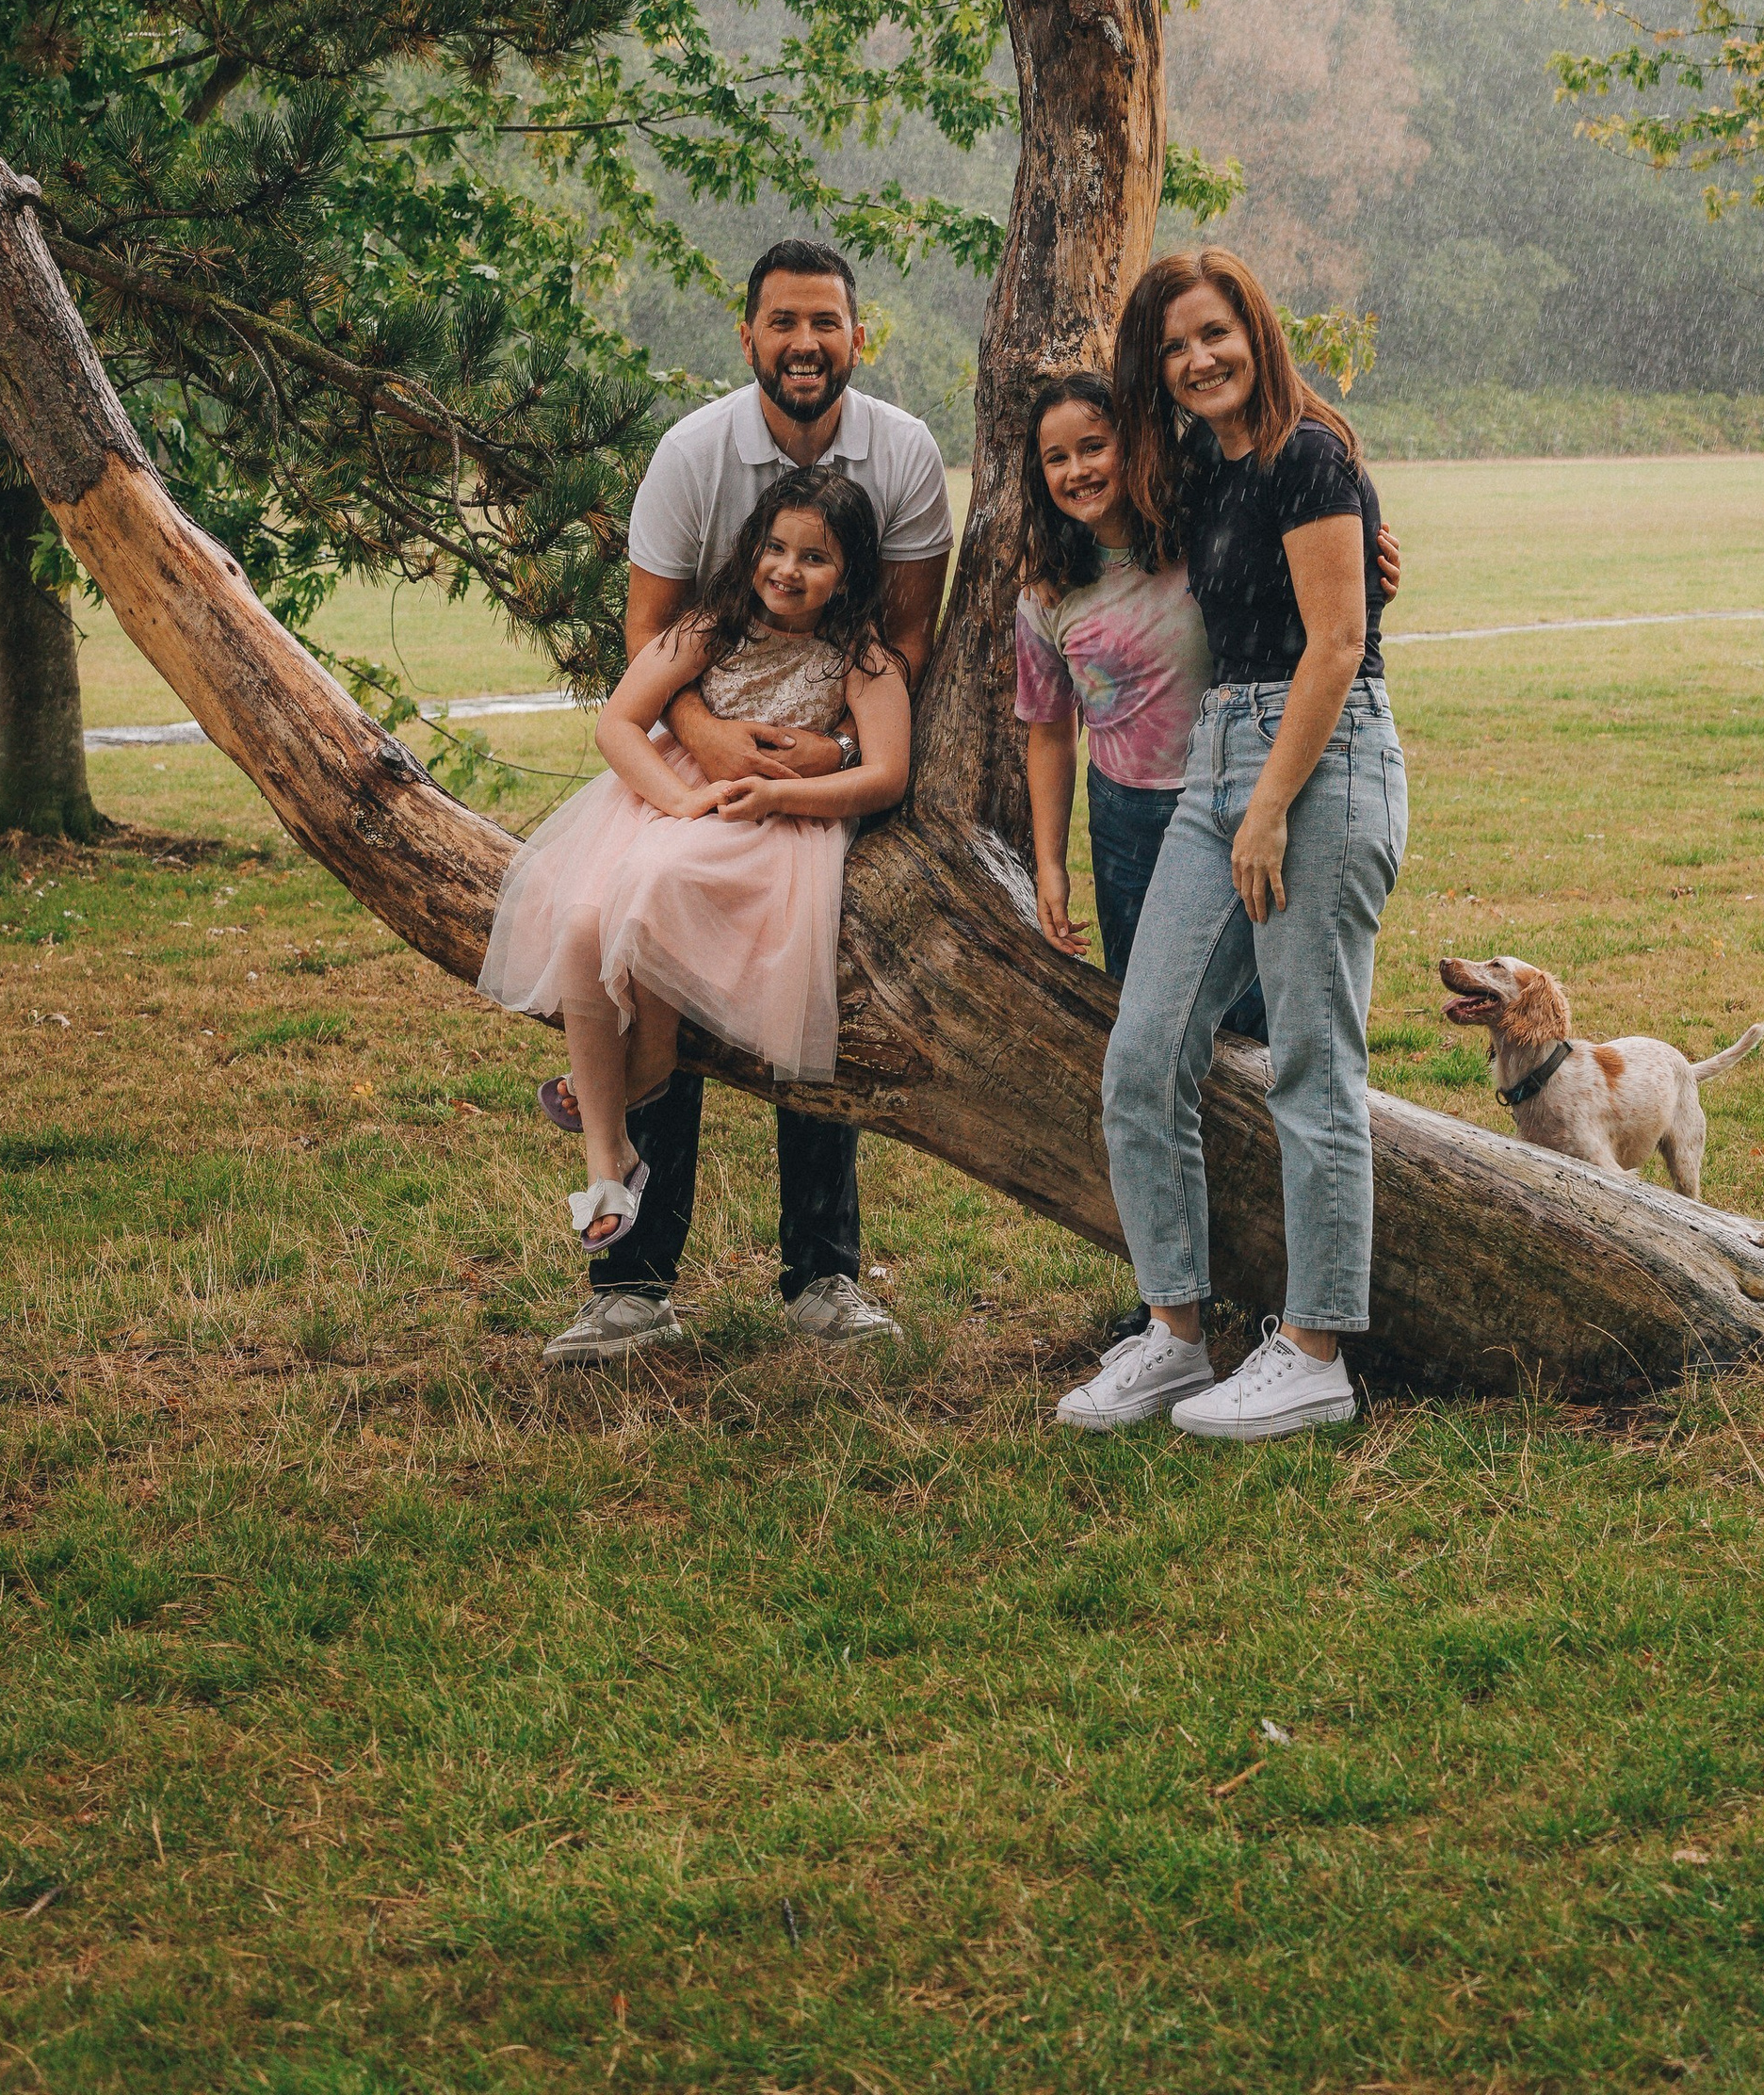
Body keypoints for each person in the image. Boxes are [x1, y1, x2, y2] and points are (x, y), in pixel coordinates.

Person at [535, 236, 954, 1362]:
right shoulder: (692, 453)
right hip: (694, 763)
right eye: (783, 323)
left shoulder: (905, 453)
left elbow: (907, 635)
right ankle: (633, 1281)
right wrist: (716, 756)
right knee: (638, 944)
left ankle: (822, 1271)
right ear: (748, 336)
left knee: (805, 995)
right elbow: (648, 642)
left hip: (826, 776)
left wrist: (813, 763)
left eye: (826, 323)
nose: (805, 344)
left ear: (858, 335)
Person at [1053, 247, 1403, 1445]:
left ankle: (1313, 1352)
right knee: (1142, 1053)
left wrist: (1266, 810)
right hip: (1218, 759)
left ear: (1254, 328)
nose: (1199, 359)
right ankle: (1173, 1334)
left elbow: (1337, 643)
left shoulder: (1311, 453)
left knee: (1312, 1063)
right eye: (1174, 347)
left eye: (1215, 333)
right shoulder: (1201, 469)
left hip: (1321, 764)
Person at [478, 473, 912, 1250]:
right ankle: (606, 1155)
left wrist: (778, 797)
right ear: (751, 548)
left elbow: (884, 774)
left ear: (849, 572)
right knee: (582, 917)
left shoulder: (860, 656)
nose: (788, 569)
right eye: (775, 548)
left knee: (655, 887)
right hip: (675, 798)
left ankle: (644, 1063)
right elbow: (619, 723)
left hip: (772, 825)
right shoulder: (714, 625)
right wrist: (675, 802)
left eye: (815, 557)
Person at [1013, 369, 1264, 1045]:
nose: (1077, 471)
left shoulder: (1203, 535)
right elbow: (1050, 736)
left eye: (1094, 447)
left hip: (1235, 800)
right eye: (1056, 458)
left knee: (1252, 1013)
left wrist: (1373, 567)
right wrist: (1051, 866)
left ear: (1133, 445)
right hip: (1128, 822)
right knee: (1149, 1023)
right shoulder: (1047, 591)